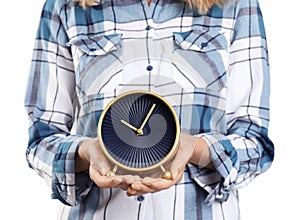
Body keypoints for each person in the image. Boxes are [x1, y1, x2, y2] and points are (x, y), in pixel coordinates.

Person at [24, 0, 274, 219]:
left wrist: (196, 150)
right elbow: (41, 140)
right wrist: (86, 153)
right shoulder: (65, 6)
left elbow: (255, 144)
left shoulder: (236, 5)